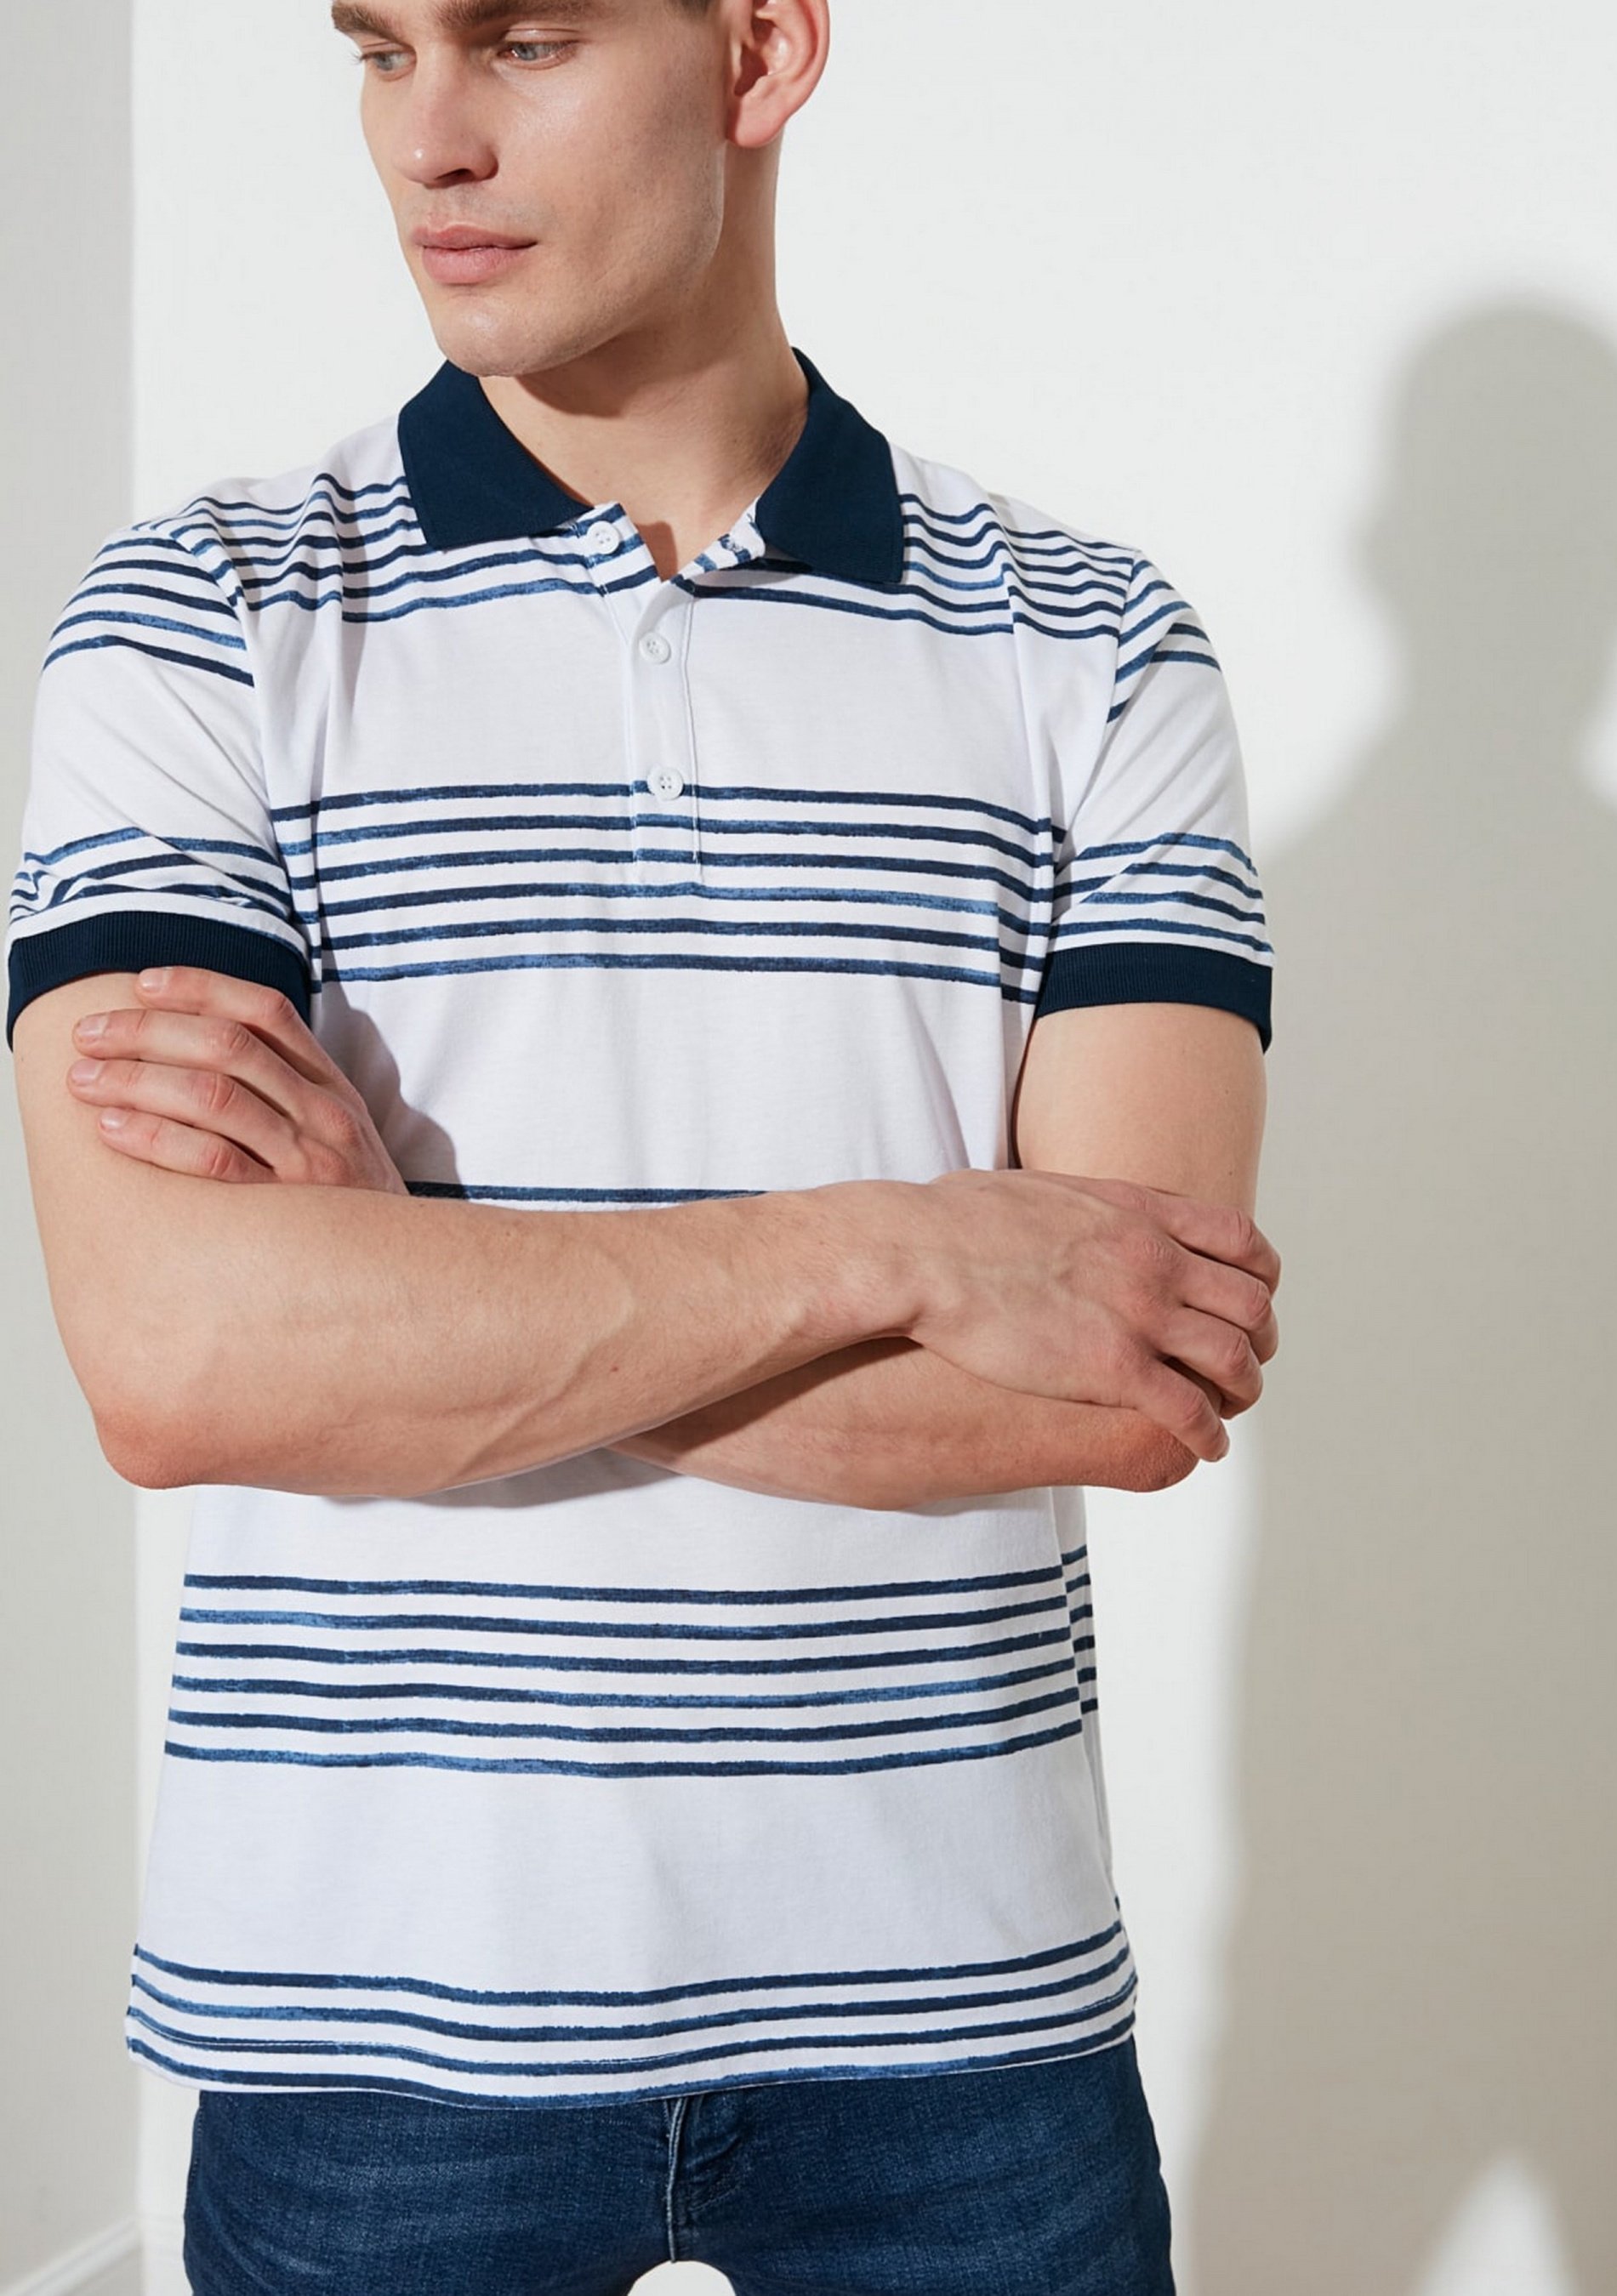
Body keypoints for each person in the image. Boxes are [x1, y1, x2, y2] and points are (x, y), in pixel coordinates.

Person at [5, 1, 1278, 2288]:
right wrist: (907, 1246)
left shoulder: (1092, 646)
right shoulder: (197, 616)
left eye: (521, 40)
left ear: (759, 53)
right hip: (375, 2021)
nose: (431, 140)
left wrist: (414, 1294)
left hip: (962, 2018)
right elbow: (184, 1368)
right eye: (379, 51)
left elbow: (1125, 1378)